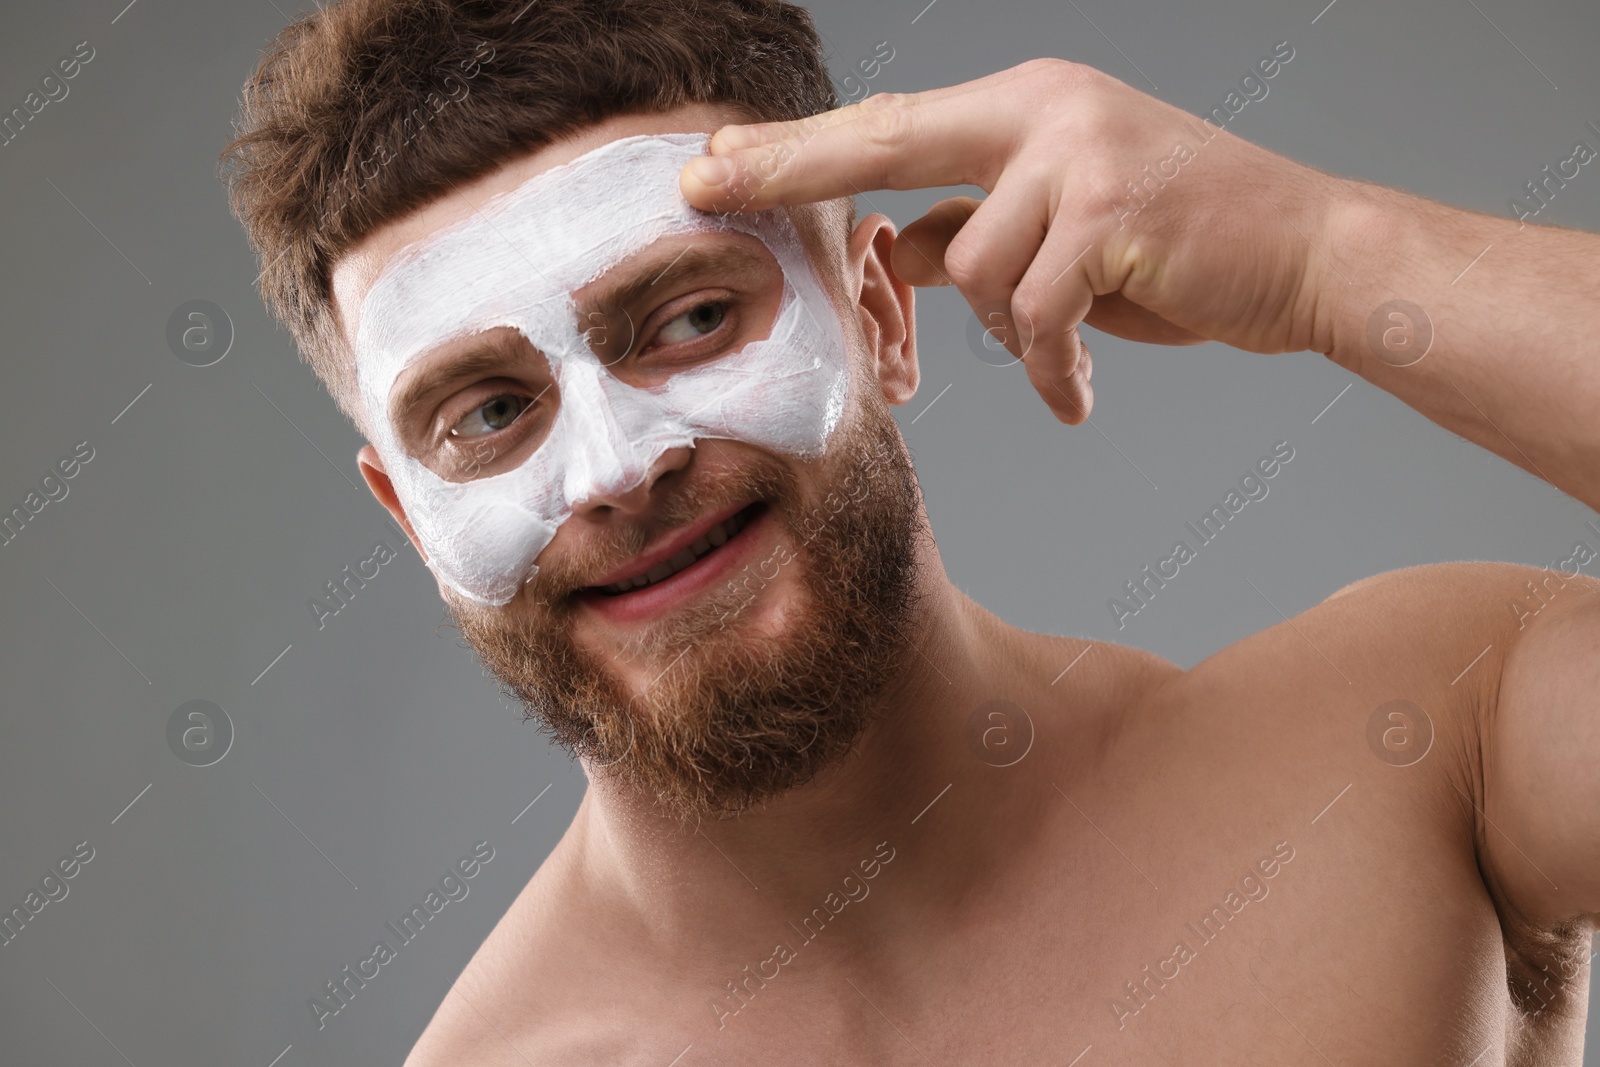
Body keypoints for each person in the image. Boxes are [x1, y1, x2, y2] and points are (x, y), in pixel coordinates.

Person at [222, 0, 1600, 1062]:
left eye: (692, 318)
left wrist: (1329, 255)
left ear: (878, 314)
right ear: (407, 514)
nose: (616, 472)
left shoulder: (1422, 747)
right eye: (488, 412)